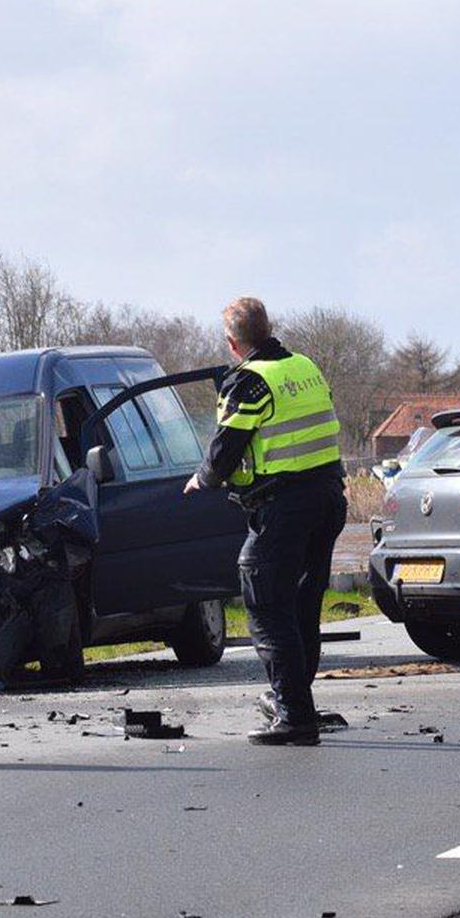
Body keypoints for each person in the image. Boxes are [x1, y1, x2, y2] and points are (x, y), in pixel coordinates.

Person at [184, 297, 348, 745]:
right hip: (329, 497)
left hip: (284, 505)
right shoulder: (304, 366)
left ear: (232, 343)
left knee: (265, 603)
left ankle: (294, 714)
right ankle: (295, 700)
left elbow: (226, 446)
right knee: (301, 605)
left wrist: (204, 479)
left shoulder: (248, 383)